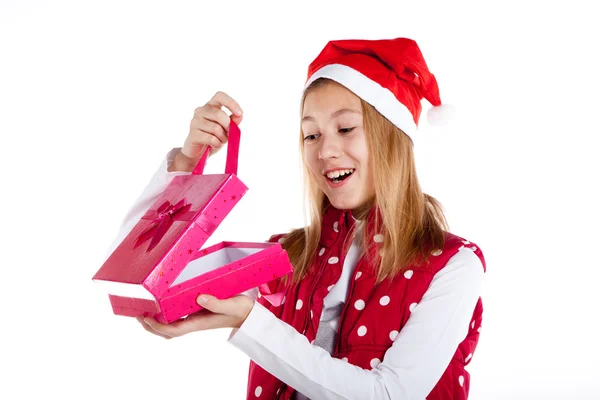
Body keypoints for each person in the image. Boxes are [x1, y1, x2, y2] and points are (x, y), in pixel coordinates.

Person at [106, 37, 486, 399]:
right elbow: (137, 276)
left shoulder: (454, 266)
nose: (326, 151)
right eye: (311, 135)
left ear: (393, 137)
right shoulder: (288, 256)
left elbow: (389, 394)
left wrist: (250, 322)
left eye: (346, 128)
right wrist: (187, 165)